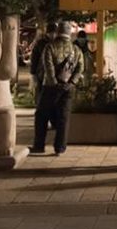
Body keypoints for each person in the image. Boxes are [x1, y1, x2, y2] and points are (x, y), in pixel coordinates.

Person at [31, 22, 84, 156]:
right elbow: (80, 69)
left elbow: (48, 67)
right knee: (63, 117)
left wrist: (54, 83)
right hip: (68, 88)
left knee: (41, 115)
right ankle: (60, 148)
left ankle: (39, 145)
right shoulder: (76, 50)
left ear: (58, 32)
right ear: (70, 33)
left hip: (50, 87)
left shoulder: (50, 47)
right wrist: (71, 83)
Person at [30, 23, 58, 104]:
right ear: (47, 33)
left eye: (54, 33)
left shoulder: (58, 43)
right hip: (41, 72)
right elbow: (34, 58)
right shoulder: (40, 43)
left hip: (55, 73)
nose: (53, 35)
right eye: (51, 33)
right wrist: (33, 72)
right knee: (41, 92)